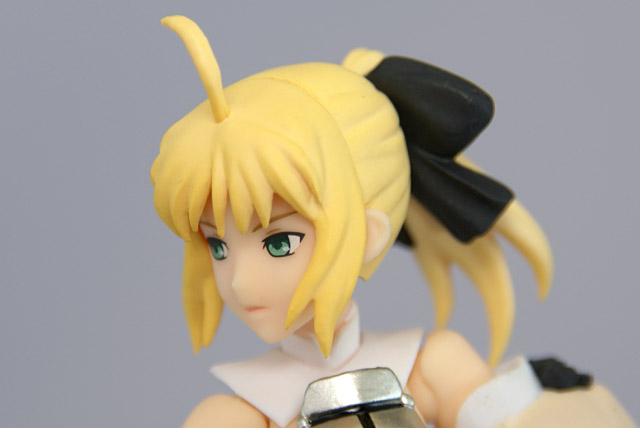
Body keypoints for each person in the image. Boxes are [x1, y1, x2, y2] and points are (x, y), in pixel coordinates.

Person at [151, 15, 636, 428]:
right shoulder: (237, 415)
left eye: (279, 243)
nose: (239, 280)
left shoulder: (430, 371)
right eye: (218, 247)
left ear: (368, 234)